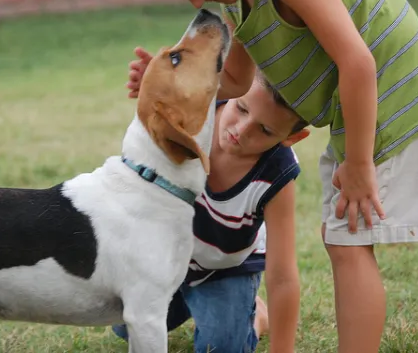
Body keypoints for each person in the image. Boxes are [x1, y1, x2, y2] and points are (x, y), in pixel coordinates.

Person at [125, 0, 418, 352]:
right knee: (342, 239)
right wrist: (167, 81)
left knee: (349, 242)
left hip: (396, 97)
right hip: (361, 105)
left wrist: (359, 163)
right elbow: (237, 81)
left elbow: (358, 62)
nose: (195, 2)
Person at [113, 55, 310, 353]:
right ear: (231, 91)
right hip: (165, 255)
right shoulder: (194, 116)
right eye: (241, 108)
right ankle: (201, 305)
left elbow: (282, 275)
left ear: (292, 137)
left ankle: (253, 316)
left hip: (223, 268)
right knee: (125, 325)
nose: (241, 130)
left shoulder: (276, 175)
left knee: (220, 348)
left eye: (265, 131)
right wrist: (154, 85)